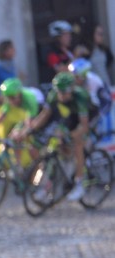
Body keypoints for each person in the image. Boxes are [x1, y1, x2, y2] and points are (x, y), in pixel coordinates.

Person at [18, 71, 90, 202]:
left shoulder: (80, 97)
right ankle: (48, 184)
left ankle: (80, 182)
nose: (61, 95)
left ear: (72, 89)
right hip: (70, 115)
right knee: (55, 145)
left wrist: (71, 135)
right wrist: (30, 129)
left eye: (64, 92)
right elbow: (44, 115)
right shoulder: (54, 95)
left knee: (77, 144)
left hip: (88, 116)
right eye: (59, 92)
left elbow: (84, 126)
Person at [68, 58, 112, 130]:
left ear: (82, 76)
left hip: (101, 107)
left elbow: (96, 103)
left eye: (76, 76)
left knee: (102, 128)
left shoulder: (93, 81)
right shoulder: (77, 82)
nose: (73, 78)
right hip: (91, 107)